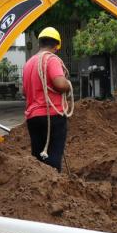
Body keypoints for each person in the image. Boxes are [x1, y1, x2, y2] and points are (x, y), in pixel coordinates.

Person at [22, 27, 73, 172]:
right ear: (57, 46)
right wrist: (68, 85)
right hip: (52, 116)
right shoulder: (51, 59)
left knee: (38, 158)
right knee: (53, 157)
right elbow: (60, 84)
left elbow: (24, 91)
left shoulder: (29, 63)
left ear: (39, 43)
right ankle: (54, 188)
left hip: (33, 118)